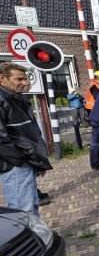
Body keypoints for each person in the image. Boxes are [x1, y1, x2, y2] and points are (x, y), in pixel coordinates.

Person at [0, 62, 53, 215]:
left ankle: (37, 237)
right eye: (19, 79)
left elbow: (27, 133)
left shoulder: (16, 99)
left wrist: (37, 161)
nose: (25, 83)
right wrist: (22, 160)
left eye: (26, 79)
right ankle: (26, 238)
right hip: (16, 165)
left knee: (31, 206)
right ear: (2, 78)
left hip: (24, 161)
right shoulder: (3, 100)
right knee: (23, 211)